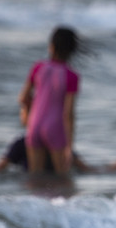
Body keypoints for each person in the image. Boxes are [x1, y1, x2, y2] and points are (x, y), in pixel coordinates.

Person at [18, 26, 83, 176]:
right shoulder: (71, 76)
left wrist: (27, 116)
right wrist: (69, 146)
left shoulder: (38, 67)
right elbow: (68, 113)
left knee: (35, 177)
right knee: (63, 178)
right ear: (72, 50)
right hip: (55, 127)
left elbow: (23, 97)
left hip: (34, 125)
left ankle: (33, 201)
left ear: (51, 46)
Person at [0, 135, 116, 174]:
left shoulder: (22, 143)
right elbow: (87, 169)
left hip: (32, 187)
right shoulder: (59, 143)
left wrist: (113, 167)